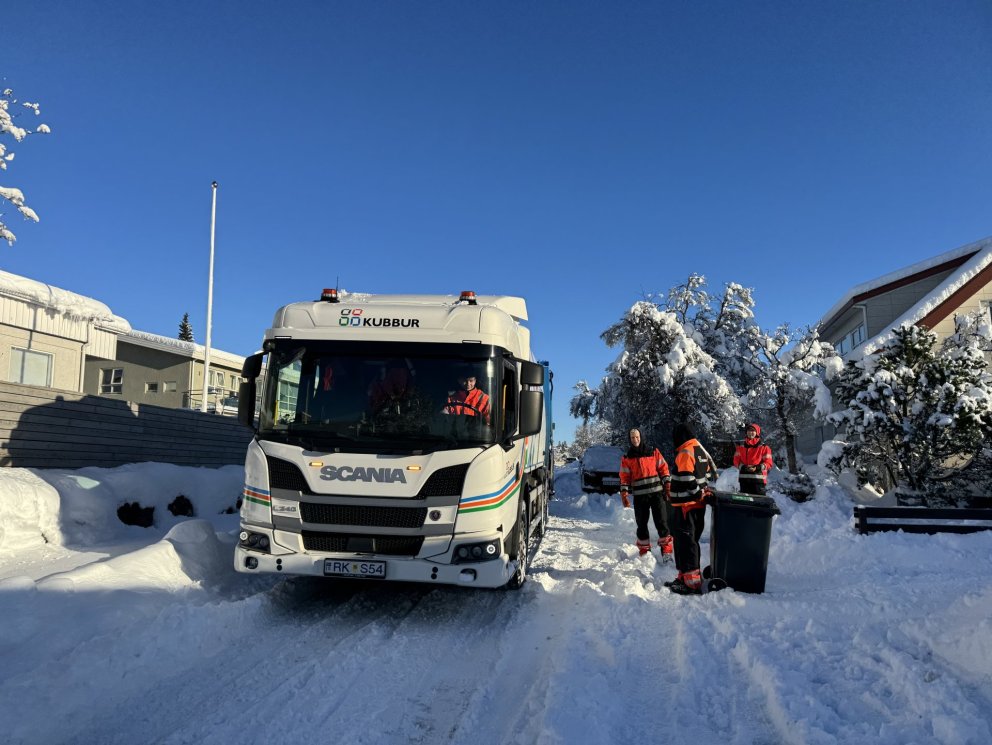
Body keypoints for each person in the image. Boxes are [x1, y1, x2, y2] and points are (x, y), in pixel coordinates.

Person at [667, 422, 715, 596]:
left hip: (687, 506)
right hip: (696, 507)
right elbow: (707, 475)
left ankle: (692, 584)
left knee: (686, 543)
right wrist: (701, 494)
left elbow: (688, 479)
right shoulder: (700, 450)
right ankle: (683, 577)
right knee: (688, 541)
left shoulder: (685, 451)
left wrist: (695, 494)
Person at [619, 428, 673, 560]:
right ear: (629, 440)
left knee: (661, 522)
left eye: (637, 437)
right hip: (640, 497)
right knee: (641, 524)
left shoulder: (653, 451)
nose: (635, 440)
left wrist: (667, 485)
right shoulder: (627, 457)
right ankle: (644, 552)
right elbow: (624, 476)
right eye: (632, 438)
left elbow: (663, 468)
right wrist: (624, 493)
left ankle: (666, 552)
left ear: (641, 437)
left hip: (656, 494)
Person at [733, 423, 774, 495]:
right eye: (749, 430)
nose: (750, 432)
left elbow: (769, 463)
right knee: (745, 503)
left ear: (757, 432)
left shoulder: (764, 447)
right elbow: (736, 461)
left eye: (753, 431)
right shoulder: (740, 447)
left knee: (759, 503)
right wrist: (744, 467)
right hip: (744, 481)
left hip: (758, 481)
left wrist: (757, 467)